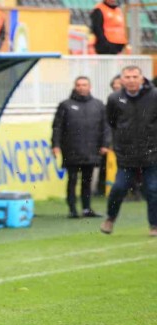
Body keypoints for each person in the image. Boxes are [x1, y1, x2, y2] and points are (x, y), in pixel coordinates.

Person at [101, 66, 157, 237]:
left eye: (135, 76)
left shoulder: (154, 96)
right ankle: (110, 218)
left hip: (152, 153)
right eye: (128, 77)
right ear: (122, 80)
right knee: (118, 188)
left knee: (153, 189)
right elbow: (111, 122)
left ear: (142, 79)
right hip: (126, 155)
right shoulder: (114, 98)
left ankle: (154, 225)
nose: (131, 80)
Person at [52, 76, 109, 218]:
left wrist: (105, 144)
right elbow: (57, 127)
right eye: (79, 85)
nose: (81, 87)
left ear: (90, 87)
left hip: (91, 149)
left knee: (87, 181)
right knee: (72, 179)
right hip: (71, 149)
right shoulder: (65, 105)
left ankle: (86, 208)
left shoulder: (98, 105)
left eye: (84, 85)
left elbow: (105, 126)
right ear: (74, 87)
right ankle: (72, 209)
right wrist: (56, 145)